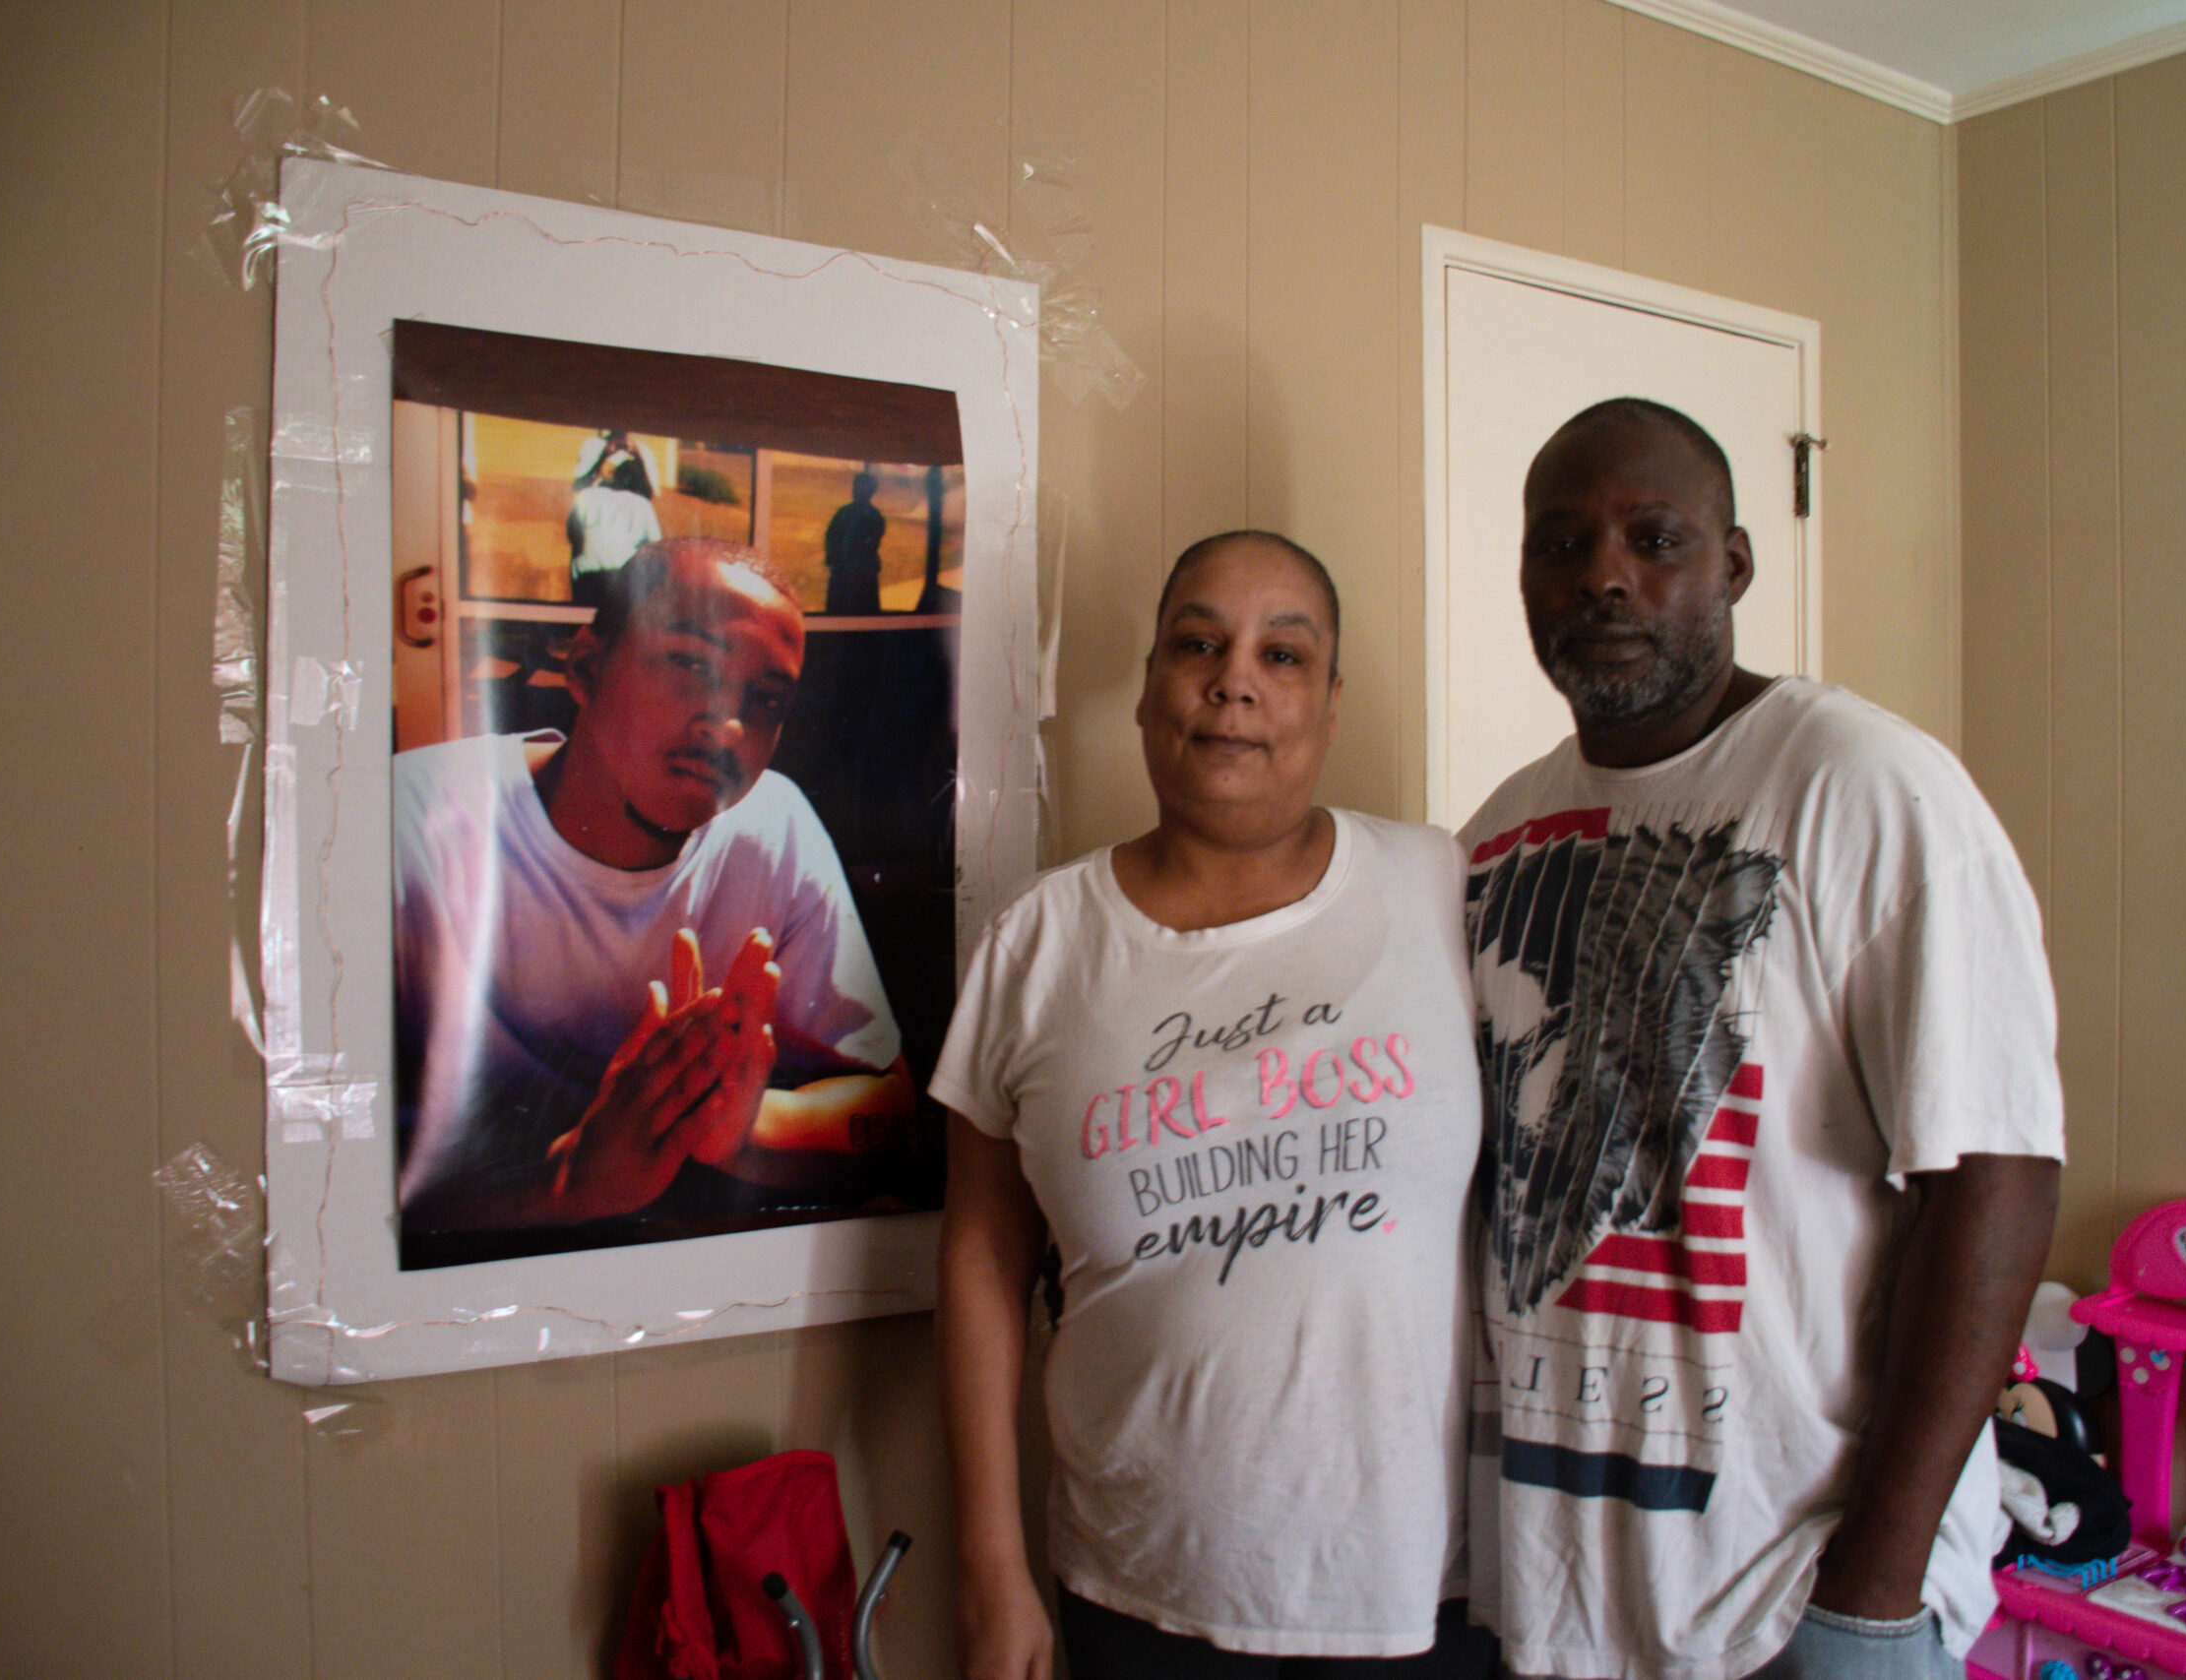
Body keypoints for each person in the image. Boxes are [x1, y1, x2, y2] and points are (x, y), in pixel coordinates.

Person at [1460, 399, 2062, 1679]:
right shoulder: (1499, 829)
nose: (1604, 572)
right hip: (1554, 1590)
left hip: (1796, 1599)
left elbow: (1995, 1174)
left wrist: (1872, 1591)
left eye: (1653, 536)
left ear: (1733, 562)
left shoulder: (1866, 787)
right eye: (1561, 543)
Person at [932, 533, 1497, 1680]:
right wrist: (990, 1569)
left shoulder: (1446, 891)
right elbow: (983, 1257)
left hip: (1419, 1596)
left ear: (1330, 708)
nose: (1233, 679)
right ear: (1148, 686)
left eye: (1282, 655)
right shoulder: (1036, 946)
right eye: (1198, 643)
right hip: (1139, 1595)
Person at [394, 536, 915, 1243]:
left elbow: (891, 1112)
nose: (726, 727)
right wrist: (560, 1187)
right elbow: (320, 1184)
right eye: (691, 665)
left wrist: (739, 1126)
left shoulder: (773, 826)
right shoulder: (407, 824)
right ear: (585, 666)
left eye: (764, 701)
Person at [567, 430, 662, 610]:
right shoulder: (642, 505)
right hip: (621, 577)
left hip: (585, 576)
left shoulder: (586, 497)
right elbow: (656, 547)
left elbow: (572, 534)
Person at [823, 470, 887, 615]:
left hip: (862, 577)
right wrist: (834, 562)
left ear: (871, 491)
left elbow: (870, 544)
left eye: (862, 488)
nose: (856, 491)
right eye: (856, 487)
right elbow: (831, 537)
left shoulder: (874, 517)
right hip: (842, 574)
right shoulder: (843, 513)